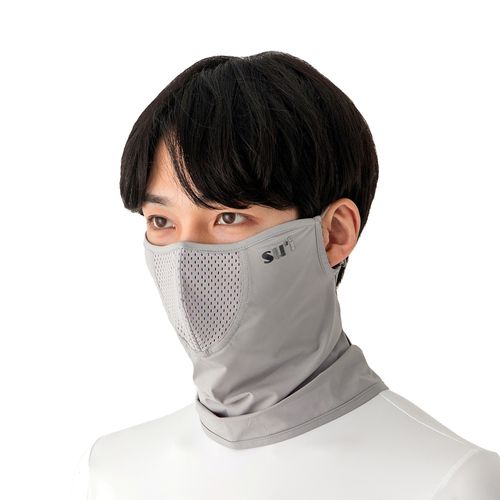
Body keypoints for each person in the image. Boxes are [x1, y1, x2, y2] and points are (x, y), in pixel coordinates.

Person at [71, 51, 500, 499]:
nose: (185, 260)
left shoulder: (451, 482)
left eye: (229, 217)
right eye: (161, 221)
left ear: (334, 234)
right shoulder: (113, 470)